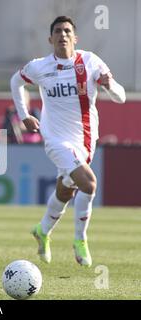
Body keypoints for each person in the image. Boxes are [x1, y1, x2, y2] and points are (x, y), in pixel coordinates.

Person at [10, 16, 125, 267]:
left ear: (75, 38)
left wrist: (109, 85)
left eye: (67, 31)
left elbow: (121, 97)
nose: (63, 35)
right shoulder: (40, 67)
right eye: (58, 31)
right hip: (55, 139)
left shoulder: (90, 61)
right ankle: (80, 240)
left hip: (85, 139)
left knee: (66, 188)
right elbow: (15, 81)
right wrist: (24, 115)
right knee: (90, 184)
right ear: (50, 39)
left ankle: (42, 230)